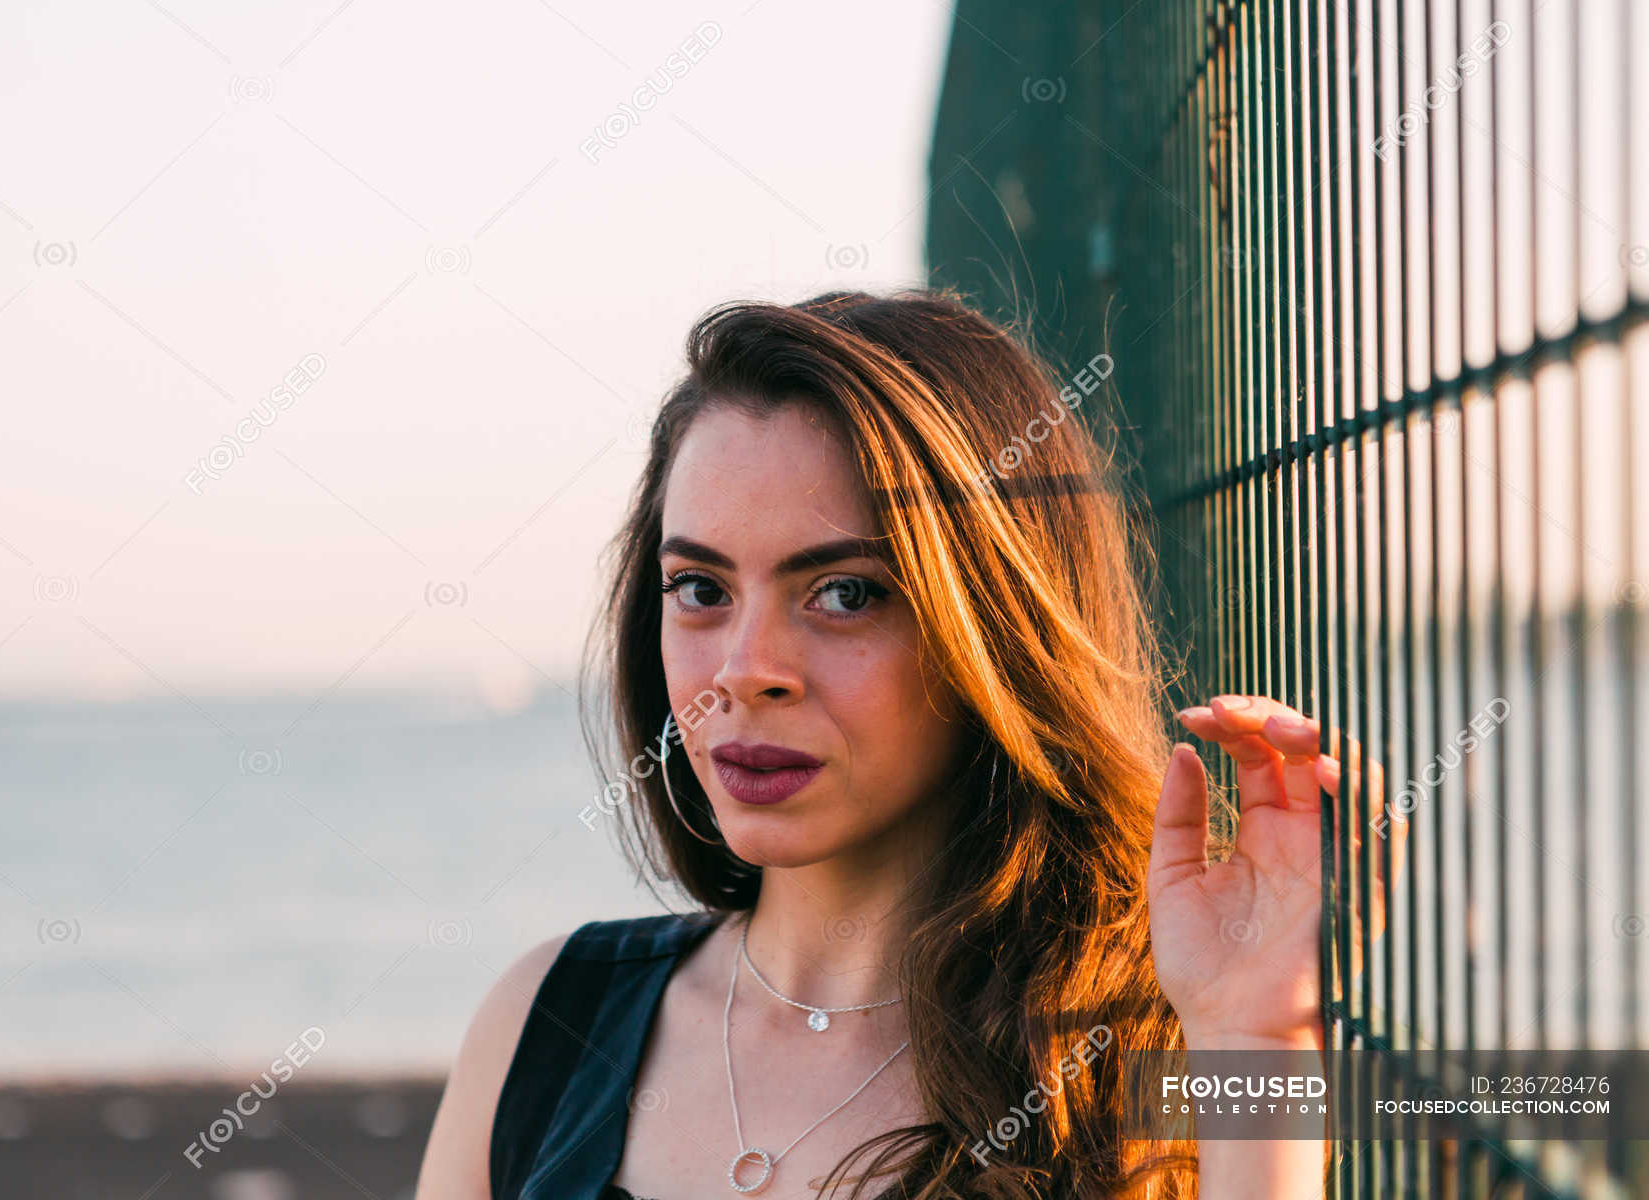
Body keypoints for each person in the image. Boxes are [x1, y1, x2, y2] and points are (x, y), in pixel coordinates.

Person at [415, 288, 1392, 1199]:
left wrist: (1252, 1034)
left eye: (845, 593)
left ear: (997, 630)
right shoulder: (548, 1022)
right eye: (702, 590)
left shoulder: (1128, 1064)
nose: (747, 669)